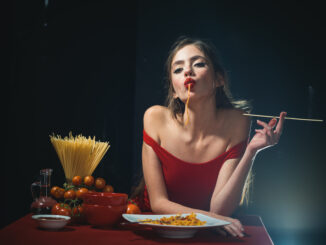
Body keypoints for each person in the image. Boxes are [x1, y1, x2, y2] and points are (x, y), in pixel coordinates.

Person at [140, 37, 286, 237]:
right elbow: (158, 204)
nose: (188, 71)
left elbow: (219, 210)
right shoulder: (155, 118)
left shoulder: (237, 121)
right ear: (174, 90)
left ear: (219, 79)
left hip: (213, 233)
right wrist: (212, 219)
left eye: (198, 64)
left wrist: (252, 151)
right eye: (178, 69)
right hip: (160, 232)